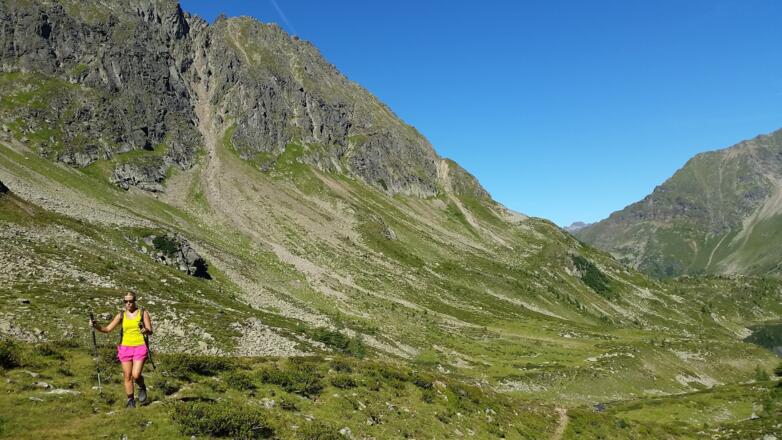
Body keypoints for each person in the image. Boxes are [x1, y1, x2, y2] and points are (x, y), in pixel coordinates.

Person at [90, 291, 153, 408]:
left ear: (135, 301)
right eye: (126, 301)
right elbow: (107, 329)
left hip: (140, 346)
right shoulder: (121, 315)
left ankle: (141, 386)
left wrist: (146, 330)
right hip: (125, 348)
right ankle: (131, 401)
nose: (128, 303)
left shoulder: (143, 313)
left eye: (131, 301)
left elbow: (150, 330)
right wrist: (96, 326)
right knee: (127, 375)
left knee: (136, 374)